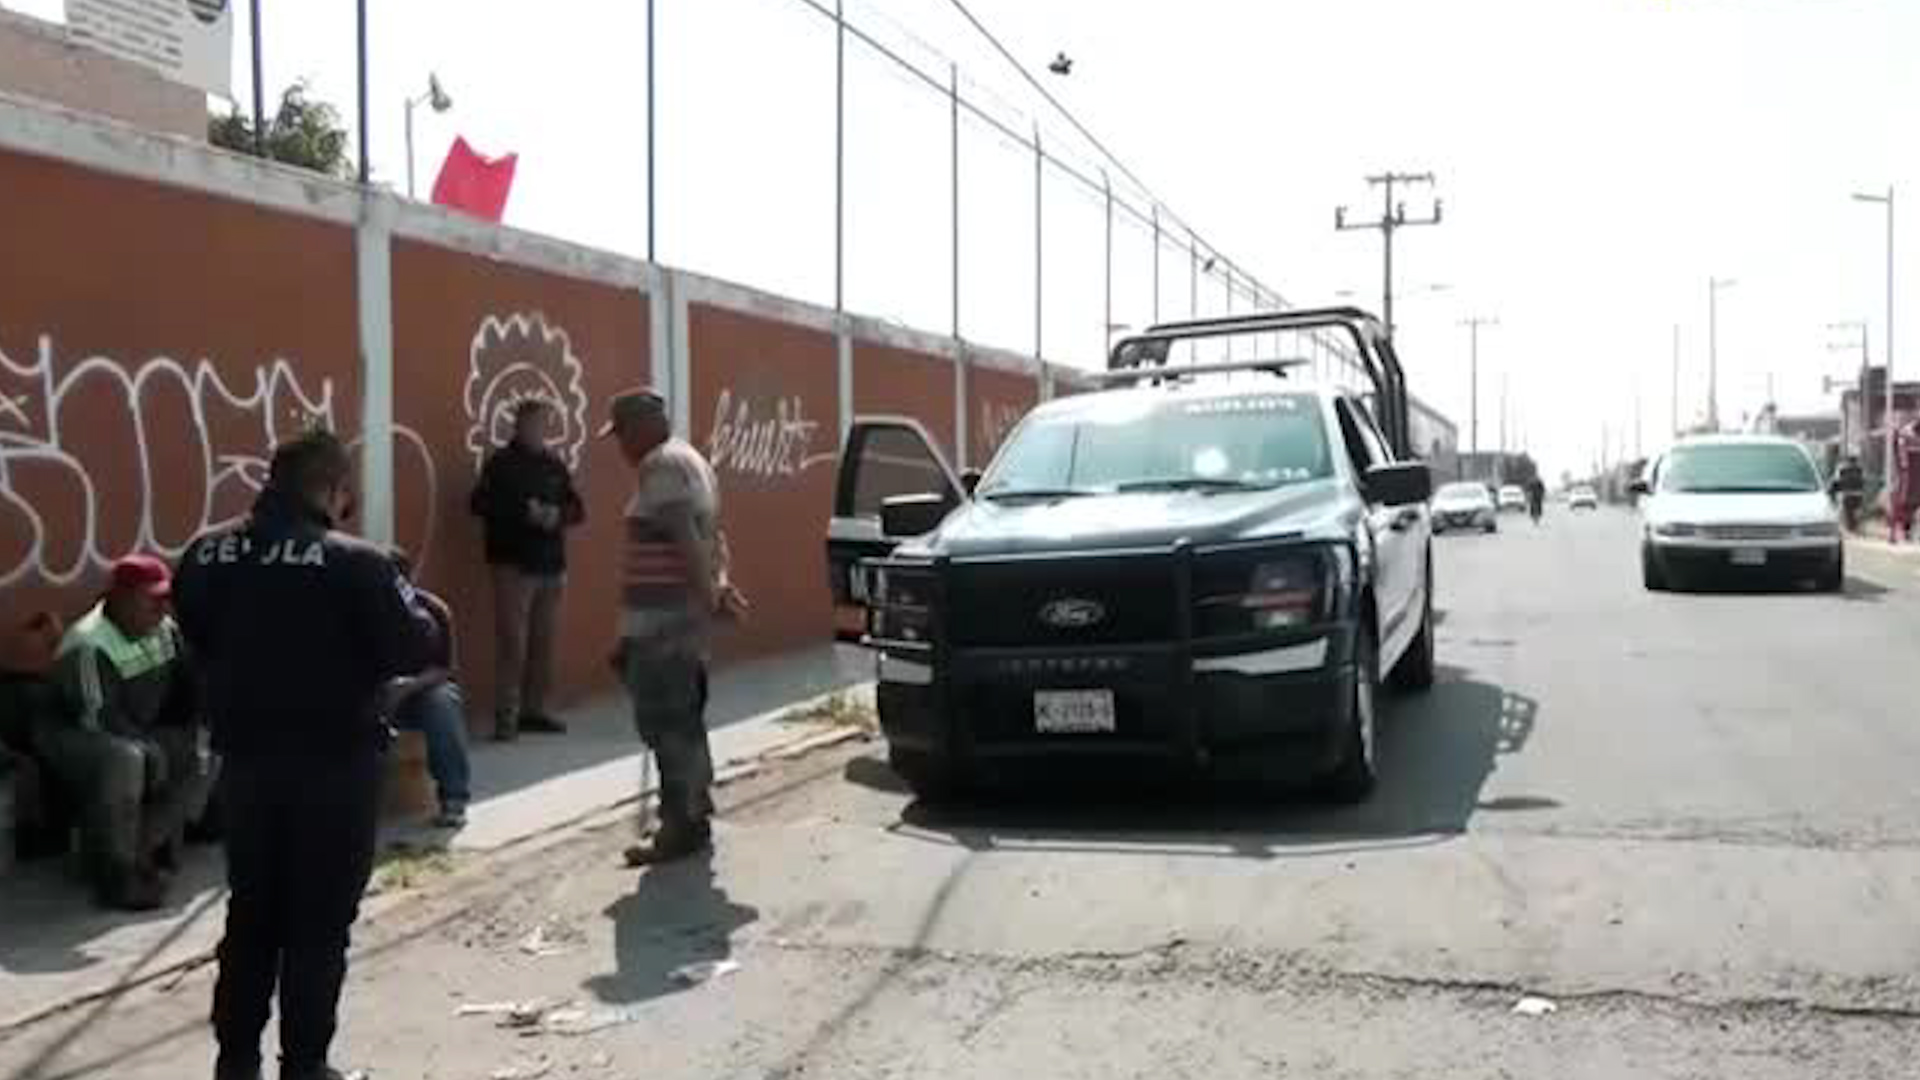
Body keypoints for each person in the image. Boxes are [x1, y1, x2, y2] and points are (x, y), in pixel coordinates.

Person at [173, 429, 439, 1080]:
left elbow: (193, 637)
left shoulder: (206, 553)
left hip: (247, 767)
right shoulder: (358, 562)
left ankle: (236, 1062)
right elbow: (413, 646)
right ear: (331, 488)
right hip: (335, 765)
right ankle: (306, 1063)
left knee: (253, 913)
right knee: (318, 922)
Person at [600, 388, 748, 866]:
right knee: (684, 721)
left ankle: (679, 826)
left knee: (667, 726)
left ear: (642, 426)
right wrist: (716, 593)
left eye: (621, 434)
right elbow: (716, 540)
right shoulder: (691, 460)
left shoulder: (660, 466)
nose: (620, 447)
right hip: (675, 624)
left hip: (664, 626)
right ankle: (693, 813)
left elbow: (687, 537)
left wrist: (710, 597)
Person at [36, 556, 211, 911]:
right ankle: (115, 874)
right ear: (120, 598)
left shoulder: (164, 628)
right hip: (77, 736)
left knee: (210, 747)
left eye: (165, 599)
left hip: (138, 730)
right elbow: (98, 719)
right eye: (152, 600)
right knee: (125, 759)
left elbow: (188, 687)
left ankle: (141, 848)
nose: (161, 609)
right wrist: (152, 750)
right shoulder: (90, 643)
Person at [469, 399, 585, 741]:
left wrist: (555, 515)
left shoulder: (553, 464)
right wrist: (523, 511)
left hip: (551, 564)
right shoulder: (501, 464)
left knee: (543, 642)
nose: (536, 430)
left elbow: (577, 508)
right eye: (530, 424)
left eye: (541, 424)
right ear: (517, 426)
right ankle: (507, 716)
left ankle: (535, 711)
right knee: (512, 642)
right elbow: (478, 503)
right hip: (512, 565)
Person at [383, 550, 473, 830]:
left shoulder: (432, 609)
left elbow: (446, 668)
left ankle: (453, 799)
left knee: (442, 702)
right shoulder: (359, 608)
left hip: (419, 694)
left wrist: (408, 686)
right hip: (373, 694)